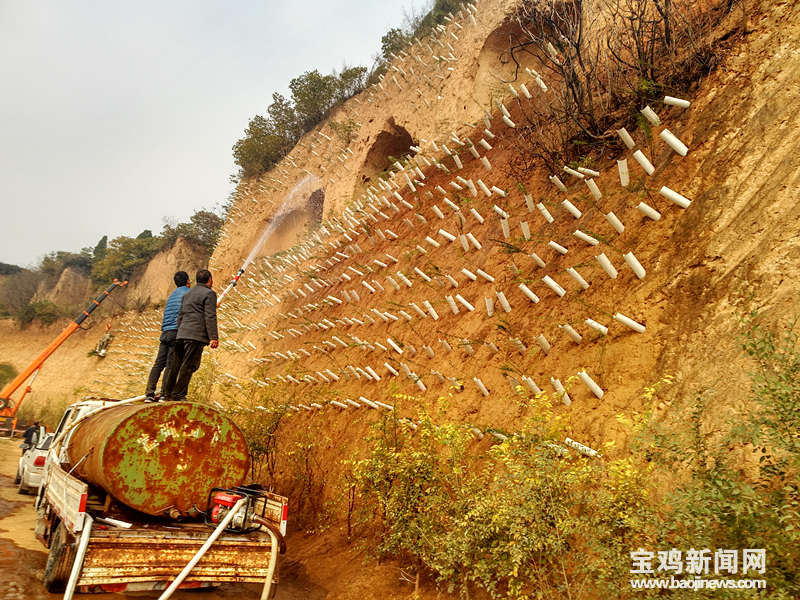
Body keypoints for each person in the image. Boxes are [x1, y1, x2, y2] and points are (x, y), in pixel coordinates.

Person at [162, 269, 219, 401]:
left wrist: (182, 331)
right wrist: (213, 337)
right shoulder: (209, 294)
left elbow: (180, 317)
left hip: (181, 334)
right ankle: (179, 394)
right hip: (195, 335)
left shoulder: (187, 294)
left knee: (176, 365)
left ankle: (168, 394)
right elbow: (210, 315)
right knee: (189, 365)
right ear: (209, 280)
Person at [145, 271, 191, 401]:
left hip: (164, 332)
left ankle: (149, 393)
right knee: (171, 364)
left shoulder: (172, 295)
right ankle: (165, 394)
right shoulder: (187, 293)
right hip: (175, 332)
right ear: (188, 281)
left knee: (159, 363)